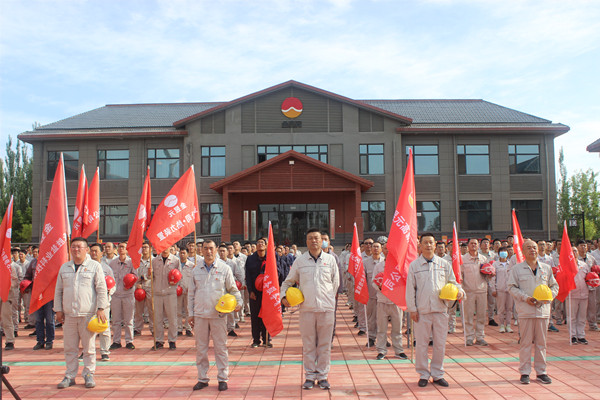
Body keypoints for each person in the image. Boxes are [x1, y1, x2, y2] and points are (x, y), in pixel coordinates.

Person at [281, 229, 339, 390]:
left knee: (325, 345)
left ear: (322, 241)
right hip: (306, 310)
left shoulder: (330, 260)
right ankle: (309, 376)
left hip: (326, 309)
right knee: (308, 345)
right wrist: (283, 297)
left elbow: (335, 283)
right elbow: (287, 282)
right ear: (306, 242)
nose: (314, 241)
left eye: (317, 238)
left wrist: (328, 299)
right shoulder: (300, 261)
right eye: (310, 238)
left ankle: (323, 376)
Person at [406, 233, 464, 388]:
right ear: (420, 245)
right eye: (425, 242)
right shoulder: (414, 266)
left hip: (440, 310)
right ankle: (423, 374)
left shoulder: (444, 264)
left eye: (431, 242)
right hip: (422, 311)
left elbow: (453, 282)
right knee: (421, 345)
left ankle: (438, 374)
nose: (428, 245)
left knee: (440, 344)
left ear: (435, 245)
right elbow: (410, 289)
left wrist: (460, 291)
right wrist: (412, 309)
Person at [188, 240, 242, 392]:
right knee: (201, 349)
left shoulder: (224, 269)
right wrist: (191, 314)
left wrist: (239, 303)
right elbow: (191, 294)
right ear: (201, 250)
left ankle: (222, 378)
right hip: (200, 315)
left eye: (211, 248)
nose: (208, 251)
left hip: (218, 315)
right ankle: (202, 378)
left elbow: (233, 289)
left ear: (216, 249)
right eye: (205, 248)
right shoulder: (196, 270)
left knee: (220, 348)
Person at [54, 237, 108, 389]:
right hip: (69, 315)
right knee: (70, 348)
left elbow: (101, 288)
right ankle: (70, 375)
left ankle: (89, 374)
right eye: (73, 247)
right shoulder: (64, 267)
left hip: (87, 315)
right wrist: (58, 309)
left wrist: (101, 308)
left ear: (86, 250)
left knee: (89, 348)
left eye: (79, 247)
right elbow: (58, 290)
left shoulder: (94, 266)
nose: (76, 250)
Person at [508, 239, 559, 385]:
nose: (533, 250)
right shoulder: (517, 269)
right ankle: (524, 372)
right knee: (525, 342)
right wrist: (525, 298)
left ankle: (541, 372)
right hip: (526, 310)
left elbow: (554, 286)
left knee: (541, 343)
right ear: (523, 251)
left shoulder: (546, 268)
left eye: (535, 248)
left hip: (542, 311)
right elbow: (511, 287)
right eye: (529, 248)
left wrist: (548, 297)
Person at [373, 241, 406, 360]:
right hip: (382, 301)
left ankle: (399, 350)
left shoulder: (400, 265)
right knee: (381, 329)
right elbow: (373, 282)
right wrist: (381, 287)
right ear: (383, 250)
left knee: (397, 328)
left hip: (396, 302)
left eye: (390, 248)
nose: (388, 251)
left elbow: (404, 281)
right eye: (385, 249)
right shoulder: (378, 266)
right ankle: (381, 350)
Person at [150, 246, 181, 349]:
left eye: (167, 247)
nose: (165, 249)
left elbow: (180, 276)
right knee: (157, 319)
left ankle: (172, 340)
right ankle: (159, 340)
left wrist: (175, 282)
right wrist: (149, 273)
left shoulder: (175, 260)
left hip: (170, 292)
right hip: (157, 293)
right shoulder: (154, 261)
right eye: (162, 246)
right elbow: (150, 277)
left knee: (172, 318)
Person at [90, 243, 116, 361]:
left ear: (101, 253)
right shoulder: (85, 267)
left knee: (104, 328)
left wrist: (110, 290)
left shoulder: (106, 268)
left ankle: (105, 351)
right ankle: (87, 350)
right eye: (92, 251)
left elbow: (113, 284)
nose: (94, 253)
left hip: (103, 301)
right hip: (89, 302)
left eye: (96, 251)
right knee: (88, 328)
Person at [461, 238, 489, 346]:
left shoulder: (483, 259)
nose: (473, 245)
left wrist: (491, 274)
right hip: (468, 291)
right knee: (468, 316)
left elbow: (487, 274)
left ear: (478, 245)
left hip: (482, 290)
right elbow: (460, 275)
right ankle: (469, 337)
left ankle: (480, 337)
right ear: (468, 245)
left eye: (475, 244)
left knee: (481, 315)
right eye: (471, 243)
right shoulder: (463, 259)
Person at [109, 242, 136, 350]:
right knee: (116, 320)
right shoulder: (112, 263)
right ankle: (116, 341)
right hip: (116, 295)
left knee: (128, 320)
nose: (121, 249)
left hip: (128, 295)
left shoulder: (132, 262)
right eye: (119, 247)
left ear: (127, 249)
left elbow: (136, 276)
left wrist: (129, 284)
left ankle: (129, 341)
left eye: (123, 247)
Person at [245, 238, 270, 347]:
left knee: (267, 315)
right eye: (258, 242)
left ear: (266, 245)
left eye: (262, 243)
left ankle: (267, 339)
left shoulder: (271, 258)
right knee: (255, 317)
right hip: (255, 293)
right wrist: (250, 291)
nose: (260, 244)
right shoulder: (250, 259)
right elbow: (248, 276)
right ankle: (256, 340)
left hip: (268, 292)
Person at [569, 245, 590, 344]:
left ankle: (581, 335)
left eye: (575, 251)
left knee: (582, 316)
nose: (574, 253)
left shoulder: (584, 265)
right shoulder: (566, 265)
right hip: (572, 294)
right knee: (572, 316)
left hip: (584, 294)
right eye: (572, 251)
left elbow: (589, 277)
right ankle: (572, 335)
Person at [490, 246, 513, 333]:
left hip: (510, 289)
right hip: (500, 289)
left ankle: (508, 325)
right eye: (502, 251)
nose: (504, 253)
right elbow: (492, 278)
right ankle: (502, 325)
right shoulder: (495, 264)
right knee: (501, 309)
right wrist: (493, 289)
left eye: (505, 251)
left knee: (509, 308)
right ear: (499, 253)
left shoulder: (511, 264)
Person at [1, 252, 20, 350]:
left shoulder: (8, 266)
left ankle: (10, 341)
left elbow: (15, 281)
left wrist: (6, 284)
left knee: (6, 319)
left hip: (6, 296)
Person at [134, 241, 153, 336]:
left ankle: (153, 328)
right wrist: (138, 281)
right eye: (143, 247)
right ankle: (137, 328)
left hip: (150, 287)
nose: (144, 249)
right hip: (139, 288)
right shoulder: (137, 261)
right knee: (138, 310)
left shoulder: (154, 261)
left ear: (150, 249)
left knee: (152, 310)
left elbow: (154, 275)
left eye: (146, 247)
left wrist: (144, 277)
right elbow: (134, 274)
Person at [177, 248, 194, 337]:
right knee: (178, 311)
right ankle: (179, 329)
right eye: (181, 253)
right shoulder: (176, 265)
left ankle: (188, 328)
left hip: (188, 291)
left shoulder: (192, 265)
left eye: (184, 253)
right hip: (178, 291)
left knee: (188, 311)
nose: (182, 255)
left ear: (187, 254)